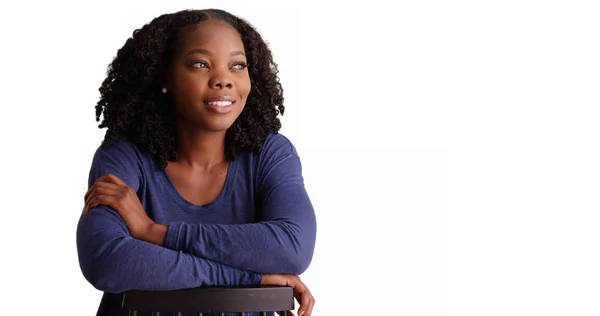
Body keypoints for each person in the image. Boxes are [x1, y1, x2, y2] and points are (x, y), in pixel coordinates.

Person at [76, 8, 317, 316]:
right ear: (165, 77)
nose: (223, 80)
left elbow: (293, 248)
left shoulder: (270, 154)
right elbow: (108, 263)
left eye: (237, 65)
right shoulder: (124, 156)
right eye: (200, 64)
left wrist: (153, 232)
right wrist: (250, 278)